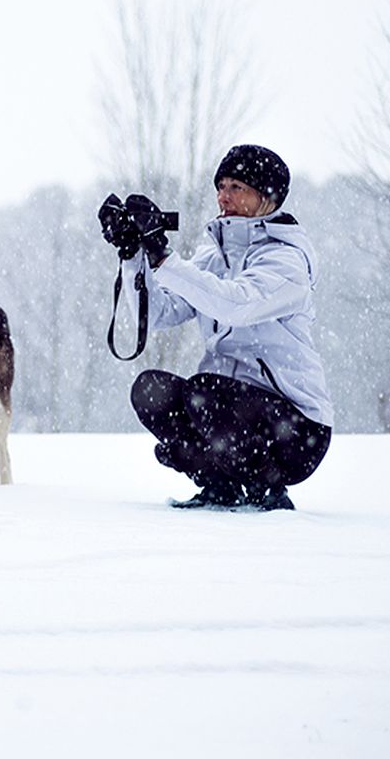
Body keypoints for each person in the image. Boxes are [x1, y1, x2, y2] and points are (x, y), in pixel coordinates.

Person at [104, 144, 334, 511]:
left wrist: (165, 256)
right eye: (221, 185)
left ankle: (268, 490)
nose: (222, 196)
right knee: (152, 390)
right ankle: (218, 486)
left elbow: (236, 305)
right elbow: (161, 313)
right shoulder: (214, 256)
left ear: (266, 197)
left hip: (297, 431)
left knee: (205, 391)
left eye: (236, 187)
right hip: (227, 412)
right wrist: (135, 254)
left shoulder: (286, 260)